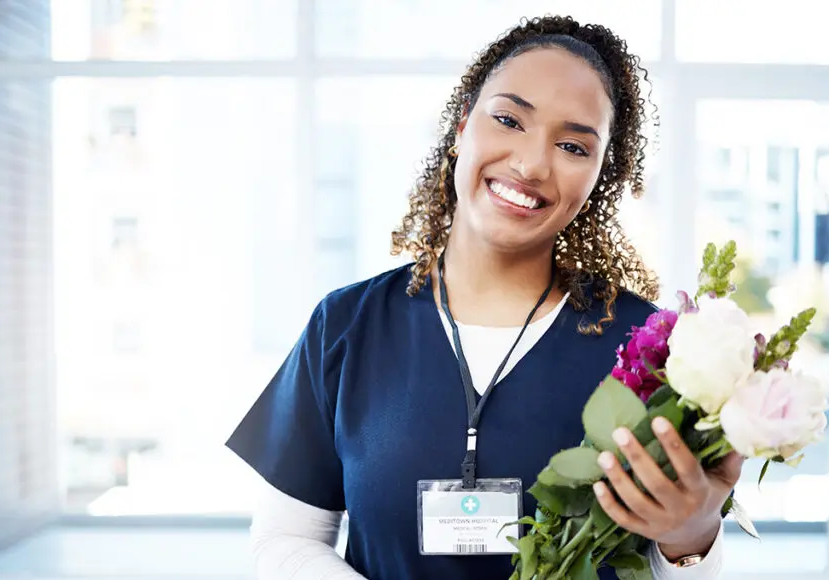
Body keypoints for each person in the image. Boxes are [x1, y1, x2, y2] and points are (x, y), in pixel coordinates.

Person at [226, 15, 742, 580]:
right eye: (508, 119)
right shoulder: (347, 326)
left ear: (601, 177)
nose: (531, 164)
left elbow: (670, 565)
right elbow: (285, 538)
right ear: (461, 128)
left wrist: (691, 536)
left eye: (572, 145)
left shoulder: (650, 350)